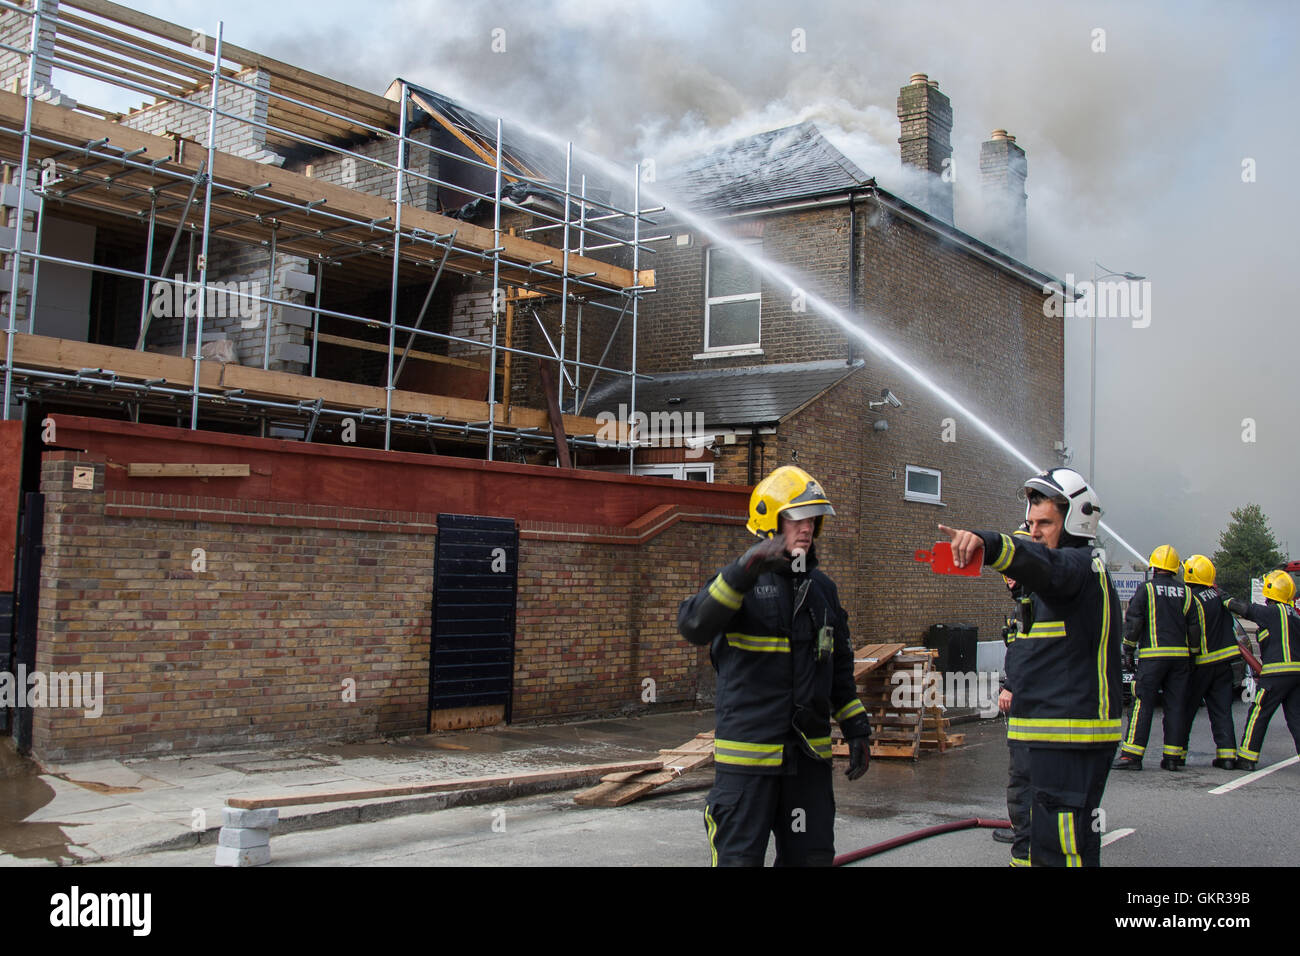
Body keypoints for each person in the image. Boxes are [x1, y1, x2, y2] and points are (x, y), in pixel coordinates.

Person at [677, 465, 872, 866]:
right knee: (739, 860)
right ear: (770, 520)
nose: (806, 528)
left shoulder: (823, 591)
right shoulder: (738, 586)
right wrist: (744, 570)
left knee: (810, 858)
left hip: (807, 764)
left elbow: (838, 669)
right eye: (796, 517)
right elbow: (693, 625)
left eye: (812, 519)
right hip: (749, 767)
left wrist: (856, 728)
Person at [940, 466, 1122, 867]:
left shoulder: (1079, 566)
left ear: (1075, 522)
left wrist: (991, 545)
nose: (1035, 532)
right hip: (1051, 738)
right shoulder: (1055, 589)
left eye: (1045, 523)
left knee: (1061, 854)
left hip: (1069, 740)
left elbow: (1046, 566)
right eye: (1030, 523)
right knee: (1045, 847)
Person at [1113, 545, 1197, 771]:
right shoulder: (1186, 593)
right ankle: (1172, 757)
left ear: (1154, 567)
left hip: (1152, 658)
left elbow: (1134, 623)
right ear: (1174, 569)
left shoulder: (1145, 590)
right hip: (1180, 660)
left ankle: (1132, 755)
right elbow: (1194, 628)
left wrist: (1128, 650)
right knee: (1176, 706)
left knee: (1142, 703)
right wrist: (1194, 654)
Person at [1229, 570, 1300, 770]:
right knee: (1296, 718)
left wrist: (1223, 598)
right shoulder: (1294, 616)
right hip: (1296, 676)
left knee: (1259, 712)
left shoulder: (1272, 612)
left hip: (1276, 674)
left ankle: (1247, 758)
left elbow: (1245, 609)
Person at [992, 526, 1033, 866]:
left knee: (1022, 772)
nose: (1007, 577)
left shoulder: (1031, 602)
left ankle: (1025, 836)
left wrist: (1011, 686)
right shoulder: (1030, 598)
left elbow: (1026, 651)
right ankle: (1028, 831)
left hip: (1030, 702)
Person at [1179, 554, 1240, 769]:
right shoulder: (1218, 595)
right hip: (1224, 665)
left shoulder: (1190, 598)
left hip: (1201, 664)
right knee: (1222, 711)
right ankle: (1227, 757)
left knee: (1186, 709)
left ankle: (1177, 754)